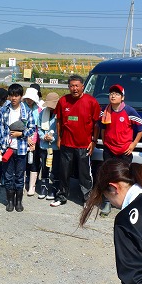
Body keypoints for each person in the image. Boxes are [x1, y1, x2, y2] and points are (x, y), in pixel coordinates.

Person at [50, 74, 100, 207]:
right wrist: (59, 138)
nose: (74, 88)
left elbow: (97, 124)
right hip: (66, 143)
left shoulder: (91, 101)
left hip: (84, 145)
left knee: (84, 174)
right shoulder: (63, 101)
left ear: (83, 87)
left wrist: (94, 141)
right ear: (68, 87)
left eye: (77, 86)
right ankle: (61, 196)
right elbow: (59, 120)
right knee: (64, 171)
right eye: (72, 86)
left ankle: (87, 198)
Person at [98, 84, 142, 215]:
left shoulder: (129, 111)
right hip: (109, 150)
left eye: (117, 94)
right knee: (108, 175)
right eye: (111, 93)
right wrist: (105, 142)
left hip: (124, 151)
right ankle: (107, 202)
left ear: (122, 97)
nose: (113, 96)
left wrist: (133, 144)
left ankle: (126, 203)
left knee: (125, 178)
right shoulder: (105, 111)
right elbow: (102, 127)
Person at [0, 84, 36, 212]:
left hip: (21, 149)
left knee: (19, 176)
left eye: (16, 95)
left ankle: (19, 201)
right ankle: (10, 201)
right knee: (8, 176)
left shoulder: (26, 111)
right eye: (11, 95)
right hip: (7, 149)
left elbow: (32, 128)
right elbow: (0, 131)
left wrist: (21, 134)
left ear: (21, 96)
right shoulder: (4, 110)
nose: (14, 98)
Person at [36, 92, 60, 201]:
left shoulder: (59, 114)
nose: (50, 108)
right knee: (45, 166)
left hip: (55, 147)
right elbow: (39, 127)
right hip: (44, 145)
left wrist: (54, 138)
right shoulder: (42, 113)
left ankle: (54, 187)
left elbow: (61, 130)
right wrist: (43, 136)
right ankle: (44, 186)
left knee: (55, 167)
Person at [22, 87, 42, 196]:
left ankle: (32, 186)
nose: (29, 101)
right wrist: (27, 138)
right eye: (27, 98)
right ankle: (23, 183)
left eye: (31, 99)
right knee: (23, 162)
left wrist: (33, 141)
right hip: (22, 138)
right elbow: (20, 125)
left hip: (35, 140)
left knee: (34, 163)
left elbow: (38, 127)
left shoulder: (38, 110)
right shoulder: (21, 108)